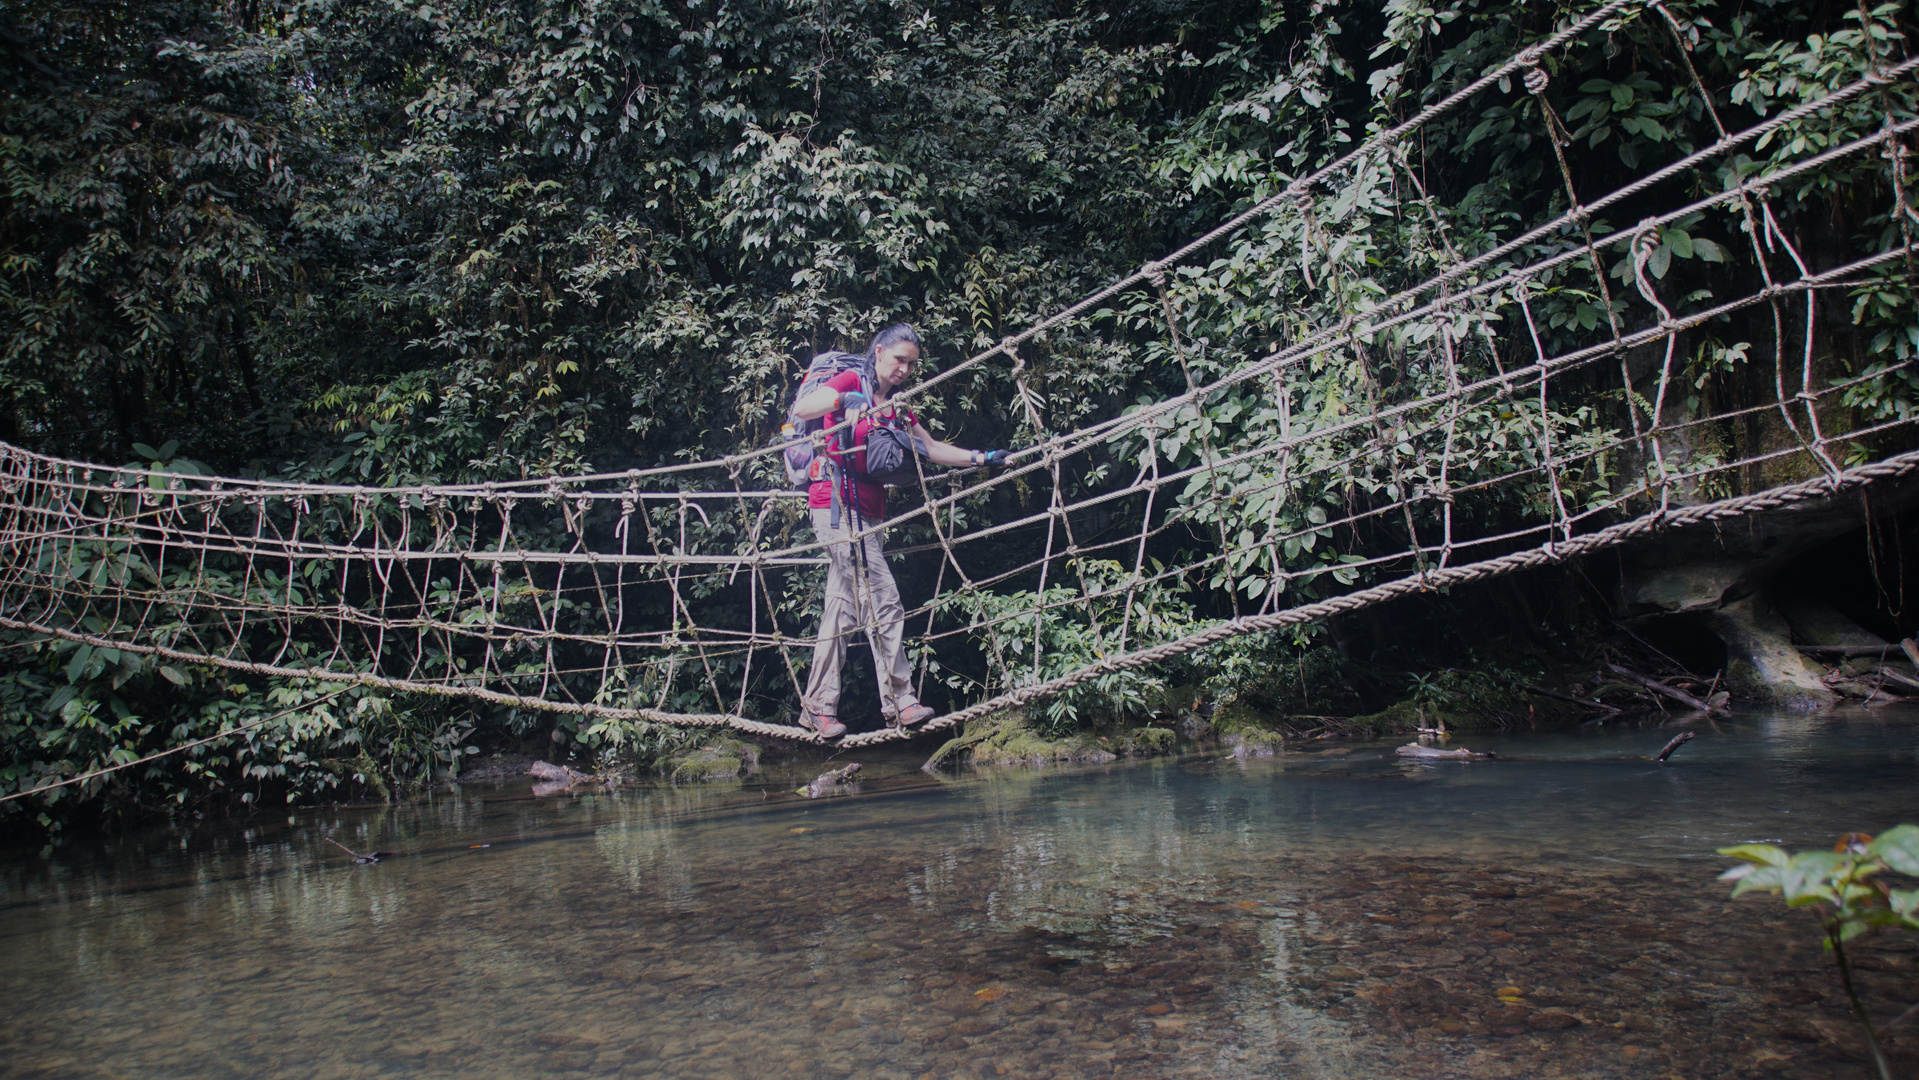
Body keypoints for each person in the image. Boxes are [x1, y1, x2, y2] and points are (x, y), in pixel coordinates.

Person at [788, 324, 1007, 738]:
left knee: (842, 610)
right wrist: (847, 398)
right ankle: (900, 700)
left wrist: (982, 457)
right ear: (879, 352)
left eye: (911, 363)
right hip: (834, 508)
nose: (904, 369)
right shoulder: (852, 380)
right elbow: (804, 409)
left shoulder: (896, 407)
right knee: (883, 596)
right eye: (898, 359)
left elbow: (930, 447)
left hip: (871, 516)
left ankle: (817, 708)